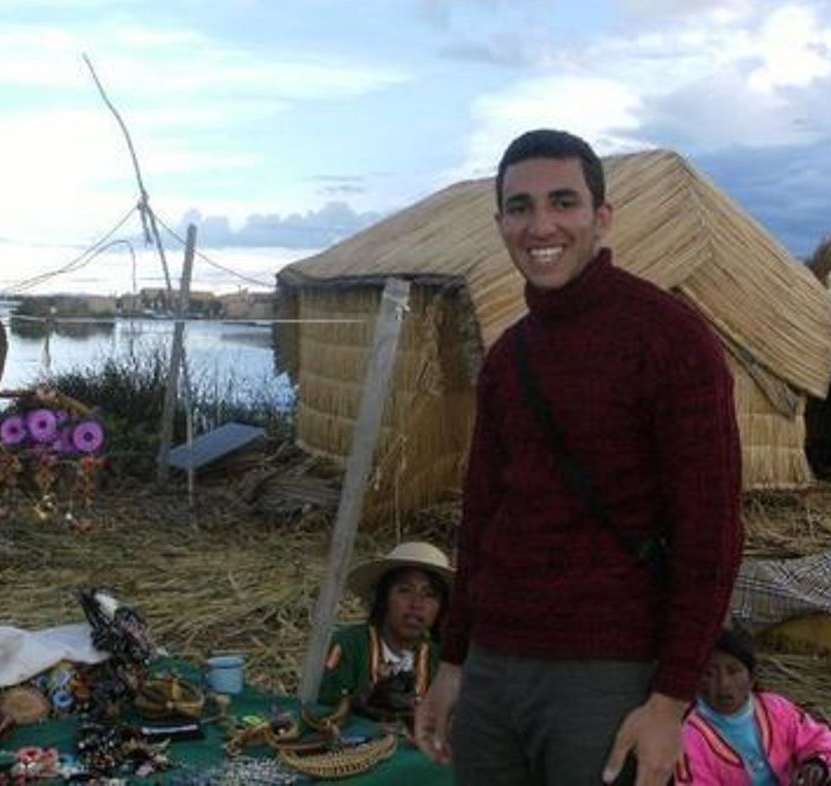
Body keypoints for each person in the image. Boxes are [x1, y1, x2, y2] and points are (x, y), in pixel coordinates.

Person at [414, 129, 744, 786]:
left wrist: (671, 700)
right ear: (501, 223)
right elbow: (481, 519)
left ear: (602, 217)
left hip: (606, 673)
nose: (542, 224)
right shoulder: (509, 357)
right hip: (494, 670)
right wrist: (454, 664)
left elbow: (711, 533)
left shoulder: (671, 341)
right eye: (520, 207)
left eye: (563, 202)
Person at [677, 628, 831, 785]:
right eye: (709, 673)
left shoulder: (776, 708)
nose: (723, 684)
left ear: (752, 678)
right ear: (697, 681)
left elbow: (818, 739)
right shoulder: (690, 737)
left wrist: (816, 763)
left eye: (734, 671)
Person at [319, 541, 453, 722]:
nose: (417, 604)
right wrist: (359, 703)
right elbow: (321, 707)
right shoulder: (349, 645)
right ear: (383, 598)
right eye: (405, 591)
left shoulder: (441, 661)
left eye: (429, 595)